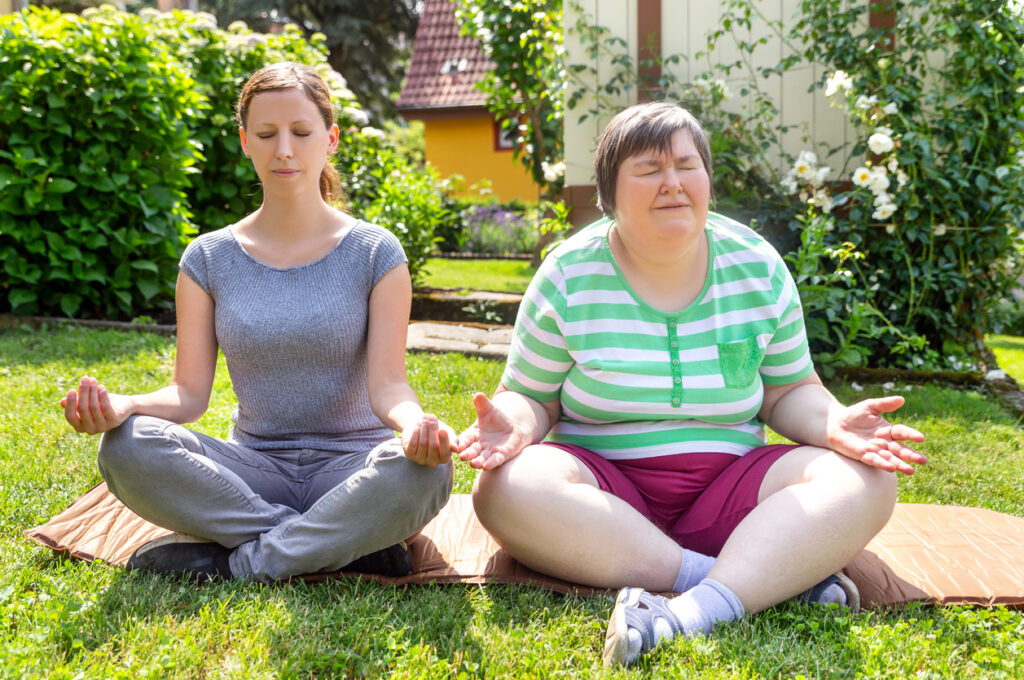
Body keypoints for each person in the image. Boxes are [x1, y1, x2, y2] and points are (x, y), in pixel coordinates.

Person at [457, 102, 926, 666]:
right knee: (504, 489)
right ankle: (749, 579)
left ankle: (688, 613)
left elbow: (787, 390)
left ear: (707, 180)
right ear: (609, 193)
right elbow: (533, 397)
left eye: (687, 166)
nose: (673, 183)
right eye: (649, 169)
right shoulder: (567, 275)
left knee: (867, 479)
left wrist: (833, 421)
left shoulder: (757, 266)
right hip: (604, 501)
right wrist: (515, 422)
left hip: (733, 496)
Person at [60, 62, 455, 583]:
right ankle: (338, 544)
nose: (284, 150)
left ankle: (239, 563)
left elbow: (389, 386)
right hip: (252, 474)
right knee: (126, 446)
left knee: (427, 470)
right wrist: (125, 406)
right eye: (266, 135)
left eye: (301, 132)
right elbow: (188, 394)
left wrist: (415, 425)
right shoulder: (207, 258)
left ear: (331, 139)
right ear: (246, 142)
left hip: (354, 470)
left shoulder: (376, 252)